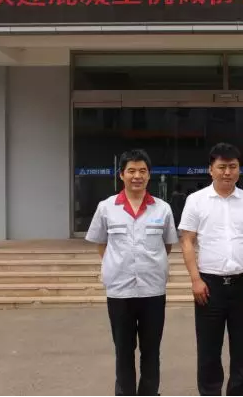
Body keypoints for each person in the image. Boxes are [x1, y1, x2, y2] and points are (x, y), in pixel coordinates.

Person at [85, 149, 178, 396]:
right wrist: (117, 264)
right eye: (131, 171)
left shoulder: (162, 209)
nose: (137, 176)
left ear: (149, 175)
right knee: (123, 350)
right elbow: (101, 243)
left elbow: (167, 245)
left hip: (152, 290)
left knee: (151, 351)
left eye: (142, 171)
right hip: (120, 291)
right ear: (121, 175)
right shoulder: (106, 208)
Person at [178, 142, 243, 396]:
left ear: (239, 169)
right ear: (211, 169)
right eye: (222, 167)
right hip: (209, 286)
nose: (227, 172)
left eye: (232, 167)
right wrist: (195, 279)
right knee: (208, 349)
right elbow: (187, 241)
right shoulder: (196, 201)